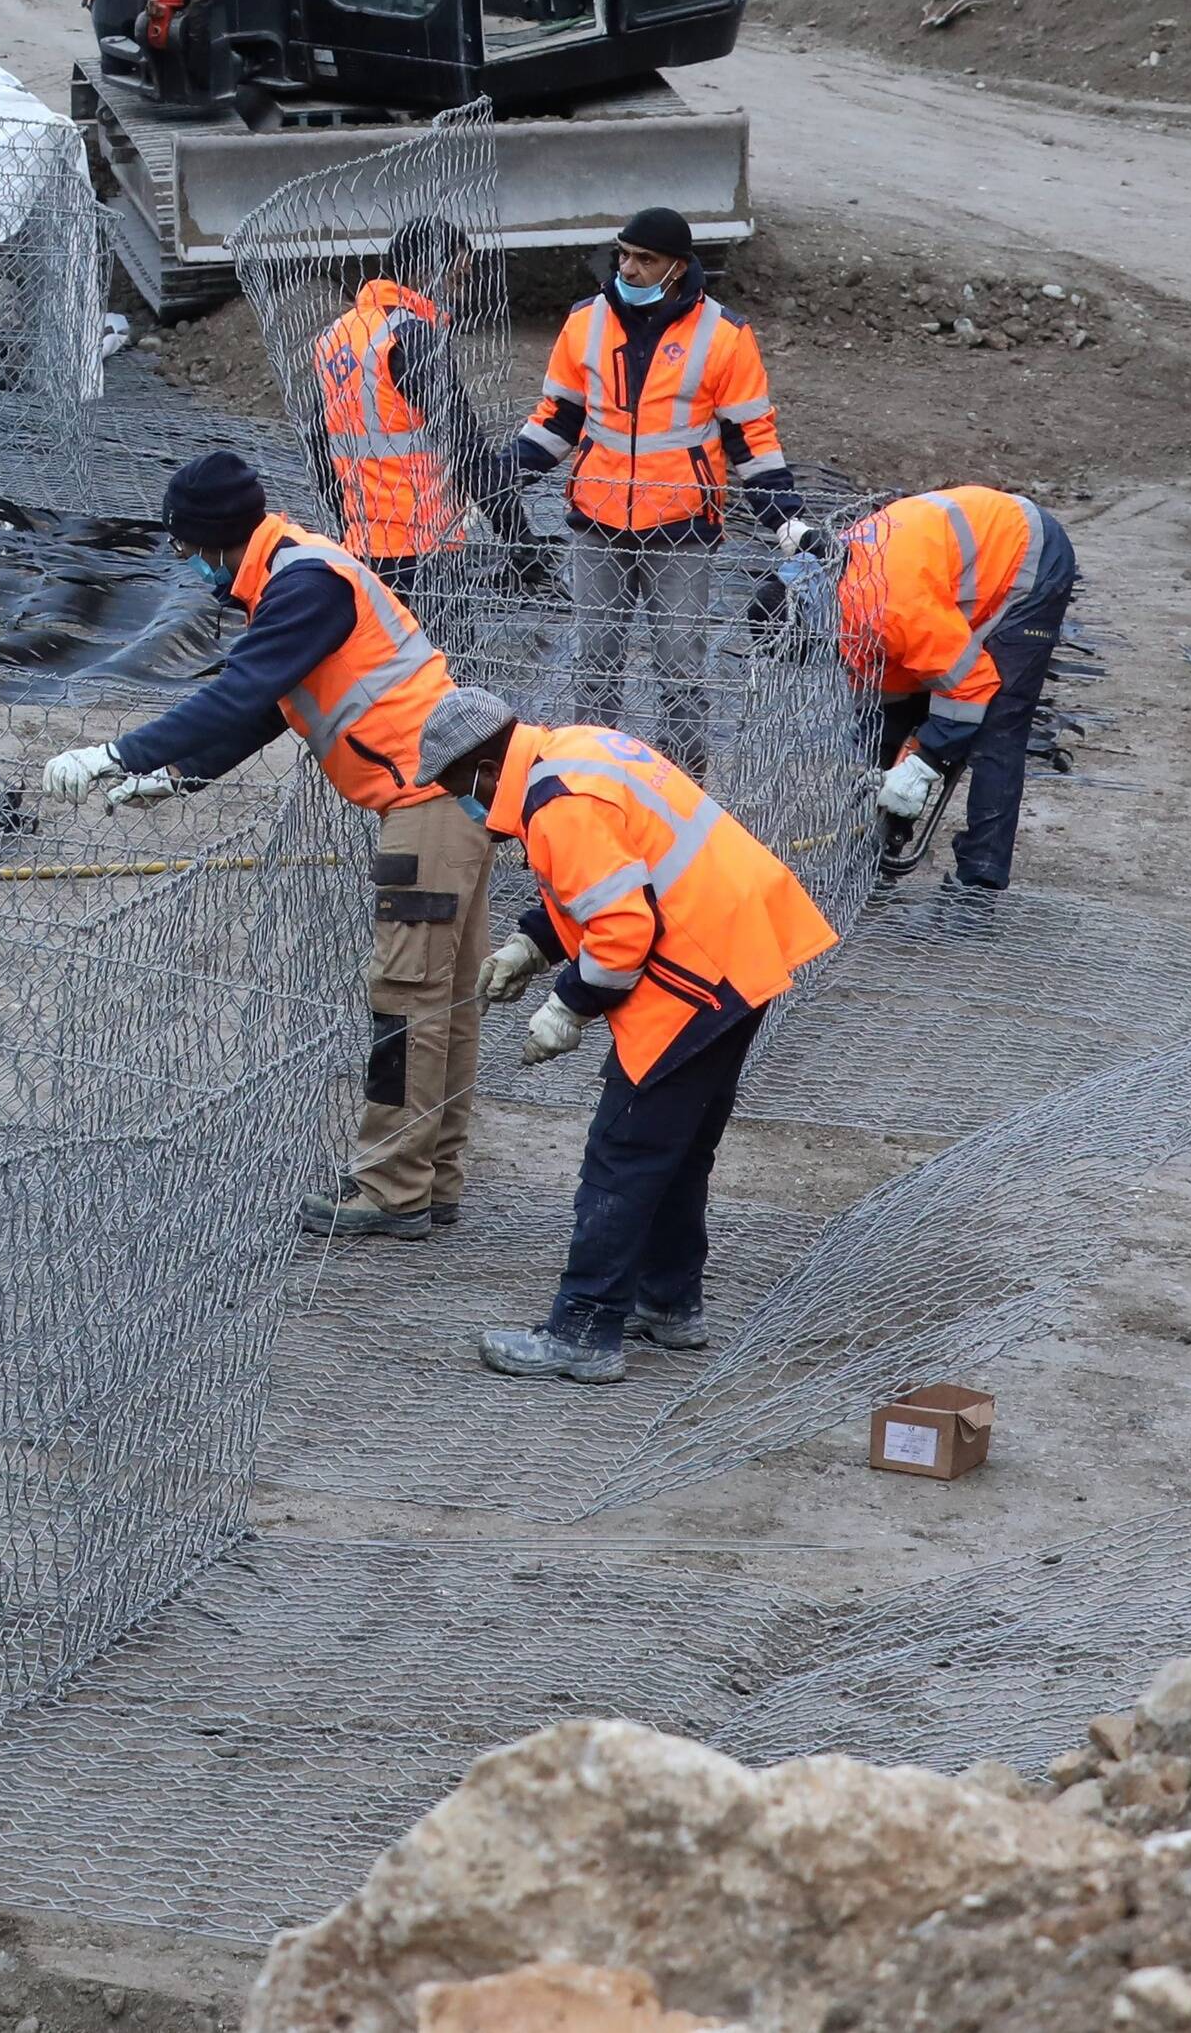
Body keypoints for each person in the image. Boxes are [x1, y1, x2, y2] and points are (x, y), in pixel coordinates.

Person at [43, 451, 492, 1240]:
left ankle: (392, 1188)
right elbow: (273, 703)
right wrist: (183, 773)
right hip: (454, 796)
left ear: (216, 538)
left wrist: (119, 753)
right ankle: (430, 1174)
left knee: (407, 999)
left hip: (428, 804)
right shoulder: (296, 574)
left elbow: (240, 689)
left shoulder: (304, 584)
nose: (184, 562)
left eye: (186, 546)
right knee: (443, 999)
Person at [408, 692, 837, 1383]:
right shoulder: (572, 751)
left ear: (486, 767)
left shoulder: (556, 804)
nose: (466, 806)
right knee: (678, 1144)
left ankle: (584, 1327)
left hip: (699, 973)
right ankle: (668, 1300)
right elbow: (609, 874)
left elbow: (621, 928)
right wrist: (532, 942)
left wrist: (567, 1007)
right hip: (739, 945)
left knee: (624, 1151)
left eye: (460, 788)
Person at [510, 206, 799, 764]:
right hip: (598, 521)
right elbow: (558, 419)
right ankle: (588, 779)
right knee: (595, 663)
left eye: (646, 259)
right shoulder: (586, 321)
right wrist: (502, 479)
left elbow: (751, 438)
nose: (630, 268)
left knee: (681, 668)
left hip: (680, 531)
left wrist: (784, 517)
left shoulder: (725, 335)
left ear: (678, 266)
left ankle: (681, 785)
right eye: (624, 255)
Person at [836, 483, 1079, 897]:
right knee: (894, 719)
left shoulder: (892, 611)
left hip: (1027, 558)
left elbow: (971, 685)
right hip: (960, 572)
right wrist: (888, 770)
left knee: (997, 727)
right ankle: (876, 850)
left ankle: (978, 885)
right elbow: (889, 700)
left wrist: (923, 761)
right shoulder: (839, 600)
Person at [308, 217, 484, 591]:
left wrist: (347, 522)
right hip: (427, 543)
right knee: (441, 648)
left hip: (364, 541)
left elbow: (318, 439)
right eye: (457, 278)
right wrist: (520, 536)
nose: (462, 293)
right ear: (425, 274)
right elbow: (465, 443)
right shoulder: (411, 335)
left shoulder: (335, 336)